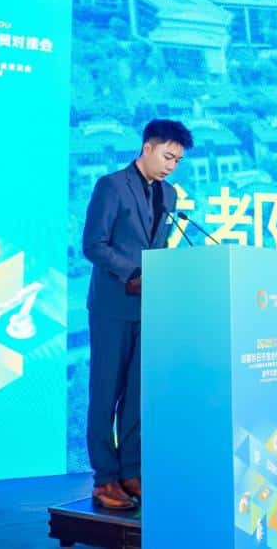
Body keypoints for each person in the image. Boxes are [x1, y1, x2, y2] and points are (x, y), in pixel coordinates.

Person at [81, 119, 193, 510]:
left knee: (137, 394)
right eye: (167, 156)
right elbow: (93, 245)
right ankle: (105, 479)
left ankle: (131, 470)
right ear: (147, 147)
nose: (171, 166)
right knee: (105, 393)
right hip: (112, 305)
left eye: (177, 161)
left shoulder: (169, 195)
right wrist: (133, 273)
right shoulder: (111, 186)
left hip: (149, 306)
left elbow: (158, 246)